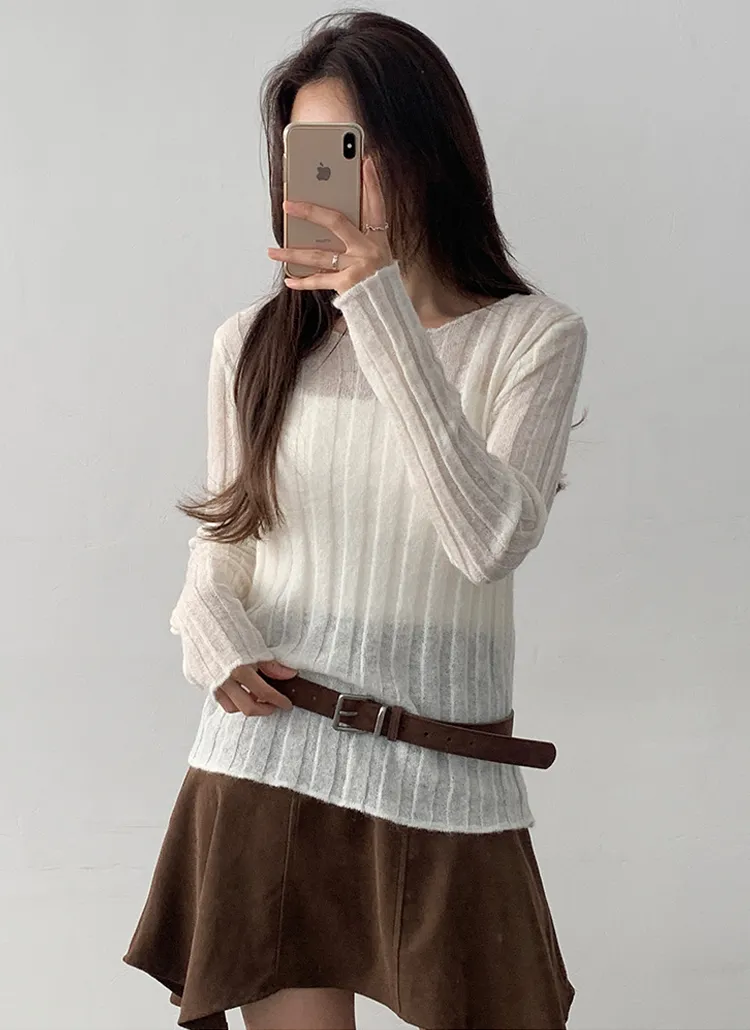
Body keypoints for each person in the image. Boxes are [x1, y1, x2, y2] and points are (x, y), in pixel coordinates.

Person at [123, 9, 587, 1030]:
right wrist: (207, 626)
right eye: (315, 149)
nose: (338, 176)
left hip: (446, 773)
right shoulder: (253, 342)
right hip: (269, 753)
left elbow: (487, 542)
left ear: (428, 152)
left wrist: (379, 312)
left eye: (357, 145)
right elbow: (228, 536)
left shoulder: (532, 339)